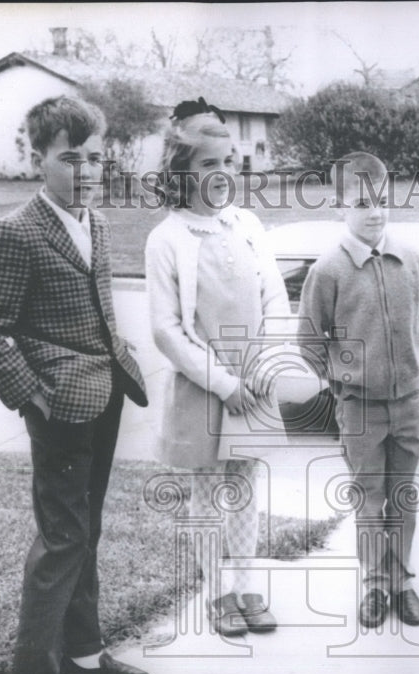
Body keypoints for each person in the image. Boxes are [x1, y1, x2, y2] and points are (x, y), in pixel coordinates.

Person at [0, 96, 152, 674]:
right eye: (70, 159)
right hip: (57, 406)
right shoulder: (15, 233)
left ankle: (84, 654)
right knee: (64, 535)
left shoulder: (98, 223)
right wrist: (32, 394)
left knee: (86, 529)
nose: (86, 171)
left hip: (105, 392)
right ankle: (33, 671)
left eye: (94, 158)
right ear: (37, 159)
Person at [145, 98, 291, 637]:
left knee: (246, 486)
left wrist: (265, 363)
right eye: (209, 164)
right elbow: (167, 330)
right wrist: (224, 384)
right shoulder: (168, 238)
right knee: (207, 493)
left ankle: (248, 586)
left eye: (230, 161)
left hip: (254, 383)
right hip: (206, 386)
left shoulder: (247, 224)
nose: (224, 172)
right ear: (181, 173)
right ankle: (218, 593)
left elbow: (275, 298)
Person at [297, 151, 419, 629]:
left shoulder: (412, 260)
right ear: (340, 206)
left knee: (404, 497)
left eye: (382, 200)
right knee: (369, 499)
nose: (375, 211)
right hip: (359, 408)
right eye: (361, 203)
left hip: (408, 403)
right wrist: (344, 382)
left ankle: (402, 582)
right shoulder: (328, 270)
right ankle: (375, 585)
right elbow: (309, 341)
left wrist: (418, 358)